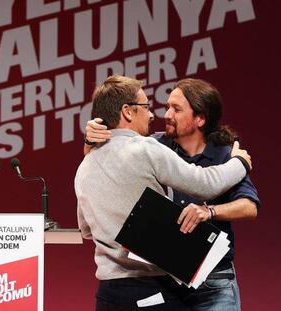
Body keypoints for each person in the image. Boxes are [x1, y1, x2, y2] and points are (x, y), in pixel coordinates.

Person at [76, 75, 252, 310]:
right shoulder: (149, 148)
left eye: (175, 108)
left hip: (110, 295)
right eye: (146, 107)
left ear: (200, 118)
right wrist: (240, 162)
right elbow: (206, 183)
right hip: (153, 288)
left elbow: (86, 229)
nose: (153, 115)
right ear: (128, 112)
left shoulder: (84, 165)